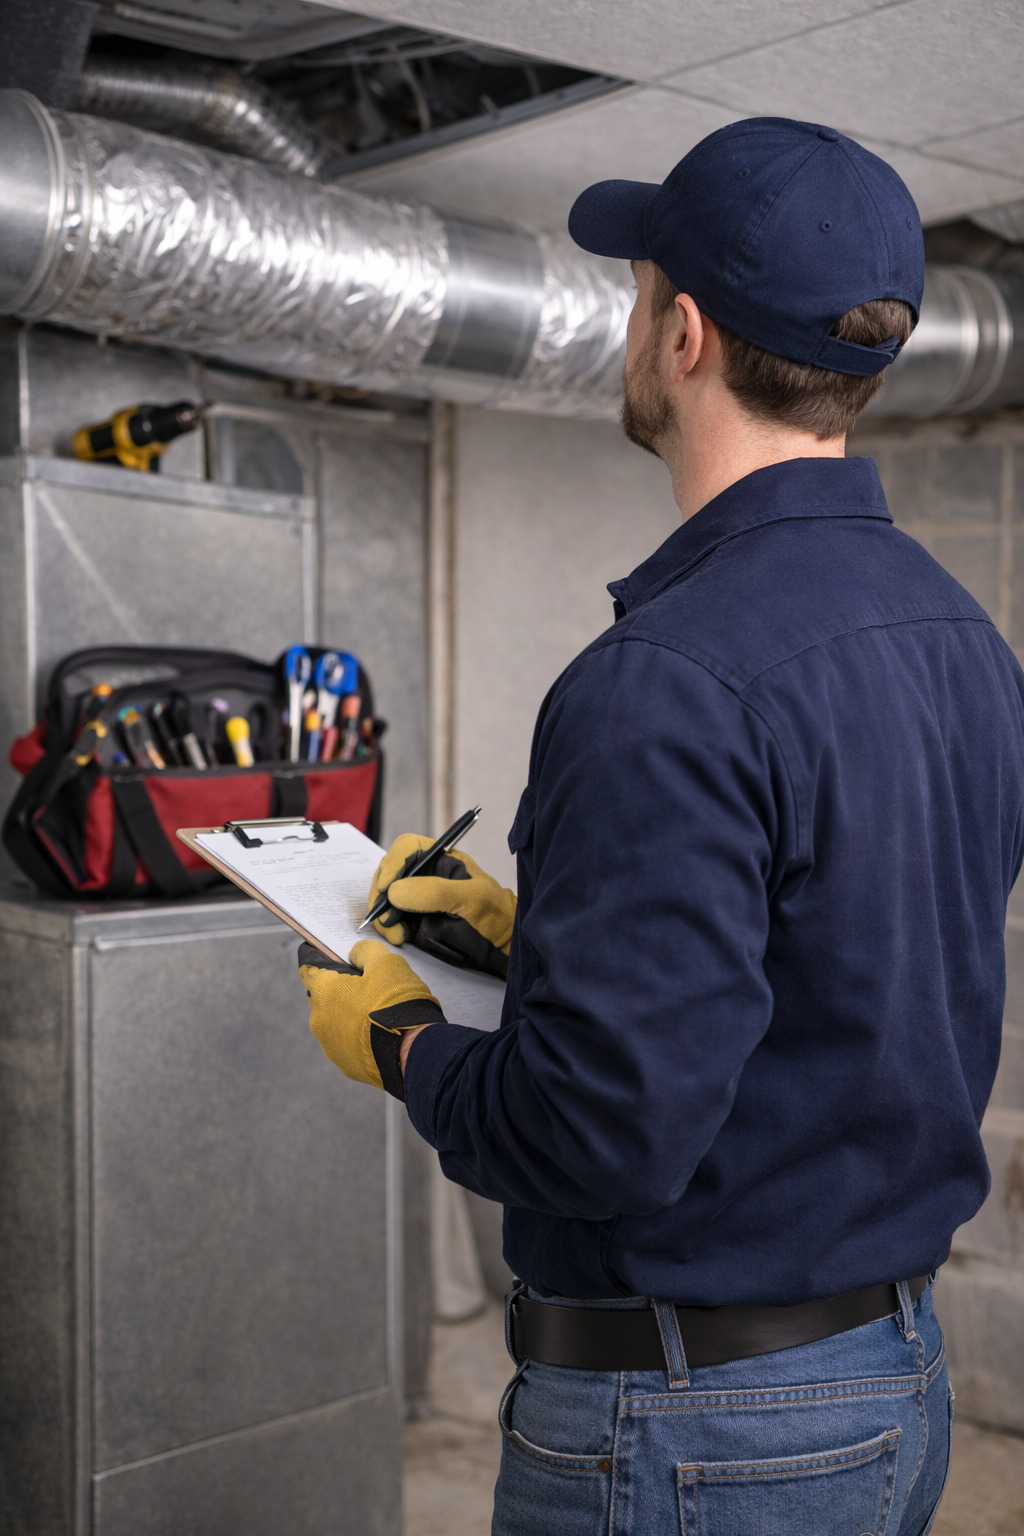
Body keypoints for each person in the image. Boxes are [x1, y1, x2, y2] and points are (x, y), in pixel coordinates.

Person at [297, 118, 1024, 1536]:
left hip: (698, 1432)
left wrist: (404, 1044)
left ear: (681, 335)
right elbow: (828, 976)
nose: (636, 325)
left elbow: (596, 1138)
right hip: (889, 1388)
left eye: (639, 297)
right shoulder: (965, 642)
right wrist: (537, 949)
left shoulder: (662, 680)